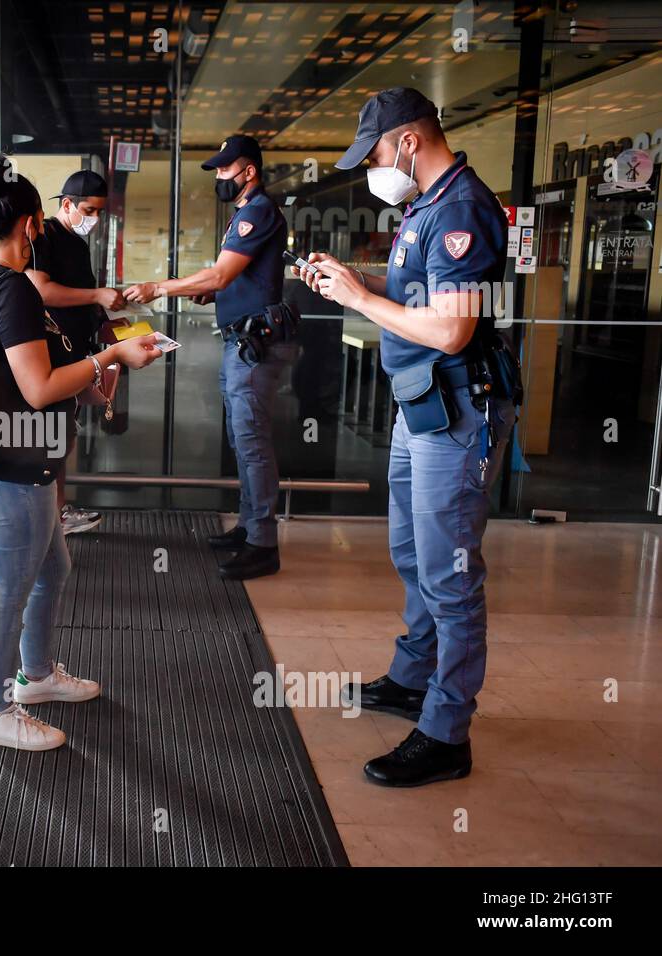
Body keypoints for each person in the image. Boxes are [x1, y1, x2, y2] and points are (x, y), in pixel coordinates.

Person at [297, 87, 515, 788]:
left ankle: (446, 732)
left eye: (378, 152)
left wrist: (361, 301)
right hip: (419, 406)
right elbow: (421, 299)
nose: (375, 167)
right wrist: (351, 280)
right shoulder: (425, 204)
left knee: (450, 575)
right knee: (411, 553)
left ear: (411, 142)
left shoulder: (461, 209)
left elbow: (453, 329)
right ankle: (411, 678)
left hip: (455, 415)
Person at [0, 155, 160, 751]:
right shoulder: (11, 287)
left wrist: (95, 377)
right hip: (9, 466)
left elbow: (38, 373)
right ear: (32, 223)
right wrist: (111, 358)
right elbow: (38, 388)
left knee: (52, 567)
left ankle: (37, 676)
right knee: (10, 586)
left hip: (13, 456)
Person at [126, 134, 295, 580]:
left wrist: (159, 287)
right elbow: (234, 279)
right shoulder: (243, 212)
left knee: (253, 443)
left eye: (225, 169)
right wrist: (208, 292)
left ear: (249, 171)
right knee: (243, 440)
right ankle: (249, 526)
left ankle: (263, 544)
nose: (220, 176)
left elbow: (221, 274)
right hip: (239, 342)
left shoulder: (256, 211)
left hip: (253, 347)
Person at [25, 169, 123, 536]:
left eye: (99, 212)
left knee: (63, 435)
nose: (94, 219)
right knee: (49, 437)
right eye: (88, 210)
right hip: (48, 356)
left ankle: (58, 511)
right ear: (66, 205)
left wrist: (104, 323)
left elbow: (81, 300)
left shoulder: (78, 245)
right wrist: (98, 296)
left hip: (75, 354)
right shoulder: (45, 237)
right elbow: (42, 290)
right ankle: (45, 516)